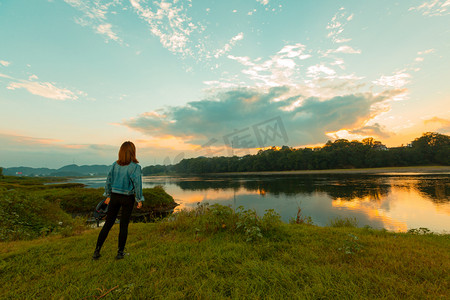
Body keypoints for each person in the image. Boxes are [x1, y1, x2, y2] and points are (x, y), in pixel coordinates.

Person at [93, 141, 144, 260]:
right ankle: (120, 253)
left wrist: (108, 195)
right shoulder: (135, 167)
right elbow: (137, 184)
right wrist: (139, 199)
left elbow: (108, 181)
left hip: (114, 197)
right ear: (133, 152)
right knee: (123, 225)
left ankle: (97, 251)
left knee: (108, 224)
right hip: (127, 198)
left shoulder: (114, 165)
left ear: (121, 152)